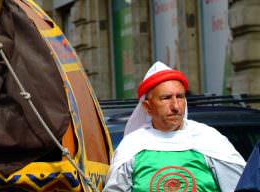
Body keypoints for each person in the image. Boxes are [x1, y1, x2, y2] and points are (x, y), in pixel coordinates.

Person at [104, 61, 245, 192]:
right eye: (166, 98)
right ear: (147, 107)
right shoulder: (131, 147)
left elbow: (241, 187)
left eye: (180, 97)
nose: (176, 106)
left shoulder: (210, 140)